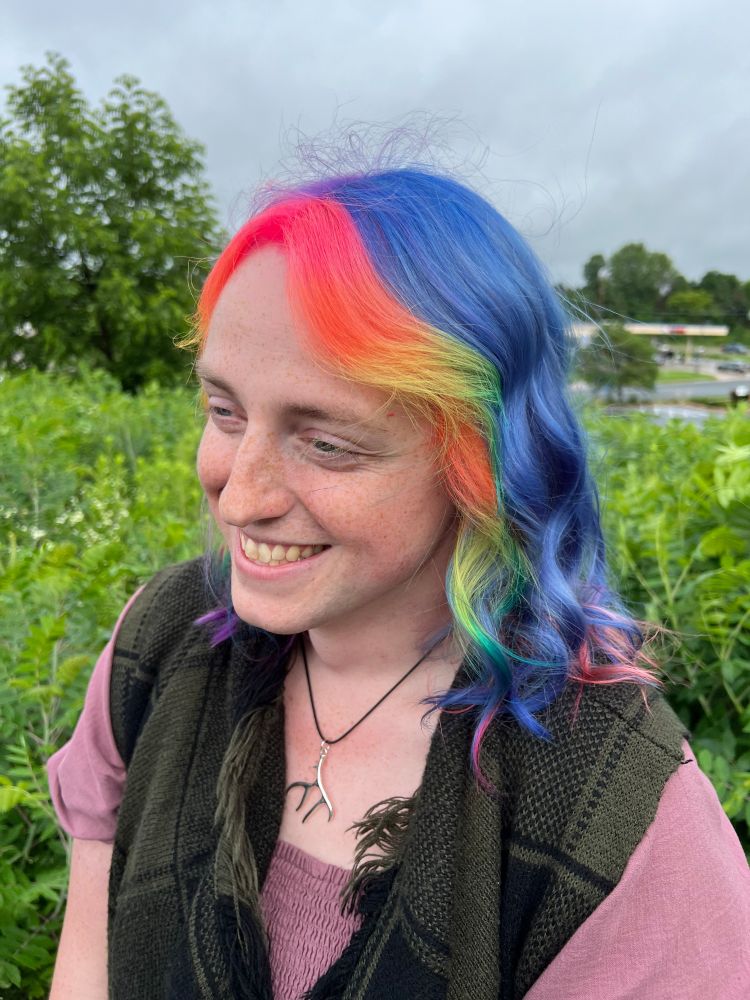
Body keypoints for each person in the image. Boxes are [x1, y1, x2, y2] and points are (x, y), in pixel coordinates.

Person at [47, 165, 749, 1000]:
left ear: (482, 464)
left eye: (327, 443)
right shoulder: (161, 644)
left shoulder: (613, 809)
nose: (238, 497)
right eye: (224, 411)